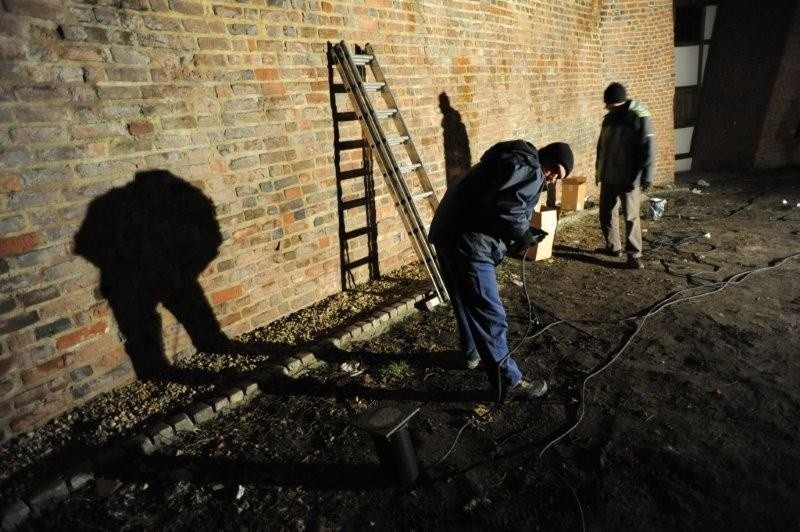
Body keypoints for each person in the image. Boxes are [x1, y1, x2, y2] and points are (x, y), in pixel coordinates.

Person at [429, 140, 574, 401]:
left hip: (447, 233)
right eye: (554, 169)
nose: (552, 179)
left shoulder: (509, 159)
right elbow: (509, 212)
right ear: (545, 157)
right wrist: (524, 236)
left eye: (558, 177)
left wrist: (523, 231)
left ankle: (471, 353)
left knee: (463, 300)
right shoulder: (528, 168)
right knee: (490, 315)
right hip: (469, 243)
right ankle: (509, 382)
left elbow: (498, 203)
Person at [595, 82, 655, 269]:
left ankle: (634, 255)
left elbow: (649, 148)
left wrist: (647, 176)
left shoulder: (638, 117)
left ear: (617, 102)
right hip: (609, 176)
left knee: (631, 216)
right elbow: (601, 148)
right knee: (606, 213)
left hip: (629, 177)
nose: (606, 107)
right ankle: (613, 247)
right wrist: (599, 172)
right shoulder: (609, 119)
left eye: (609, 104)